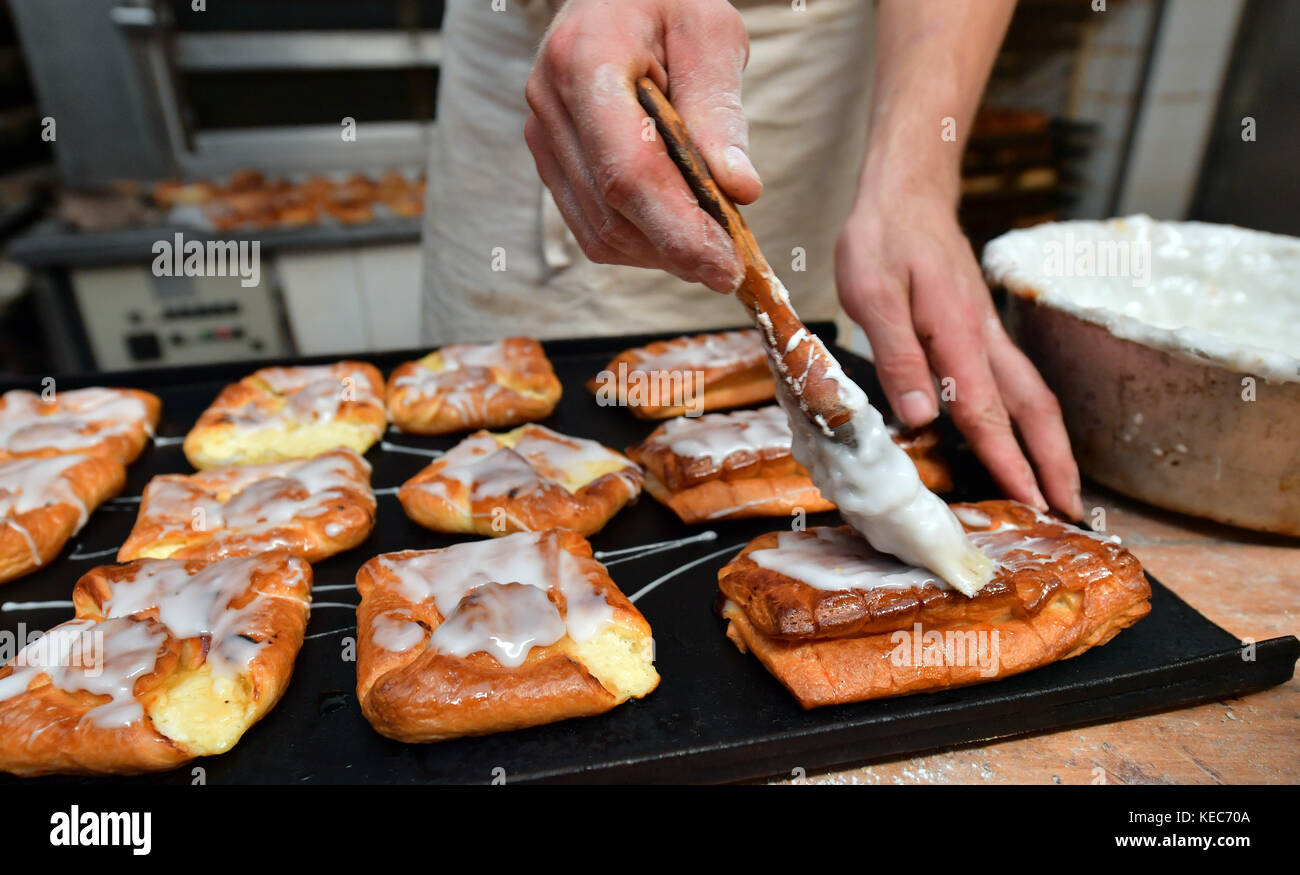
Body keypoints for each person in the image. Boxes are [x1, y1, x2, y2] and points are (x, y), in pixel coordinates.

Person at [420, 0, 1083, 519]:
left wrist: (915, 181)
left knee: (792, 392)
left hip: (793, 70)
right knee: (482, 430)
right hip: (518, 61)